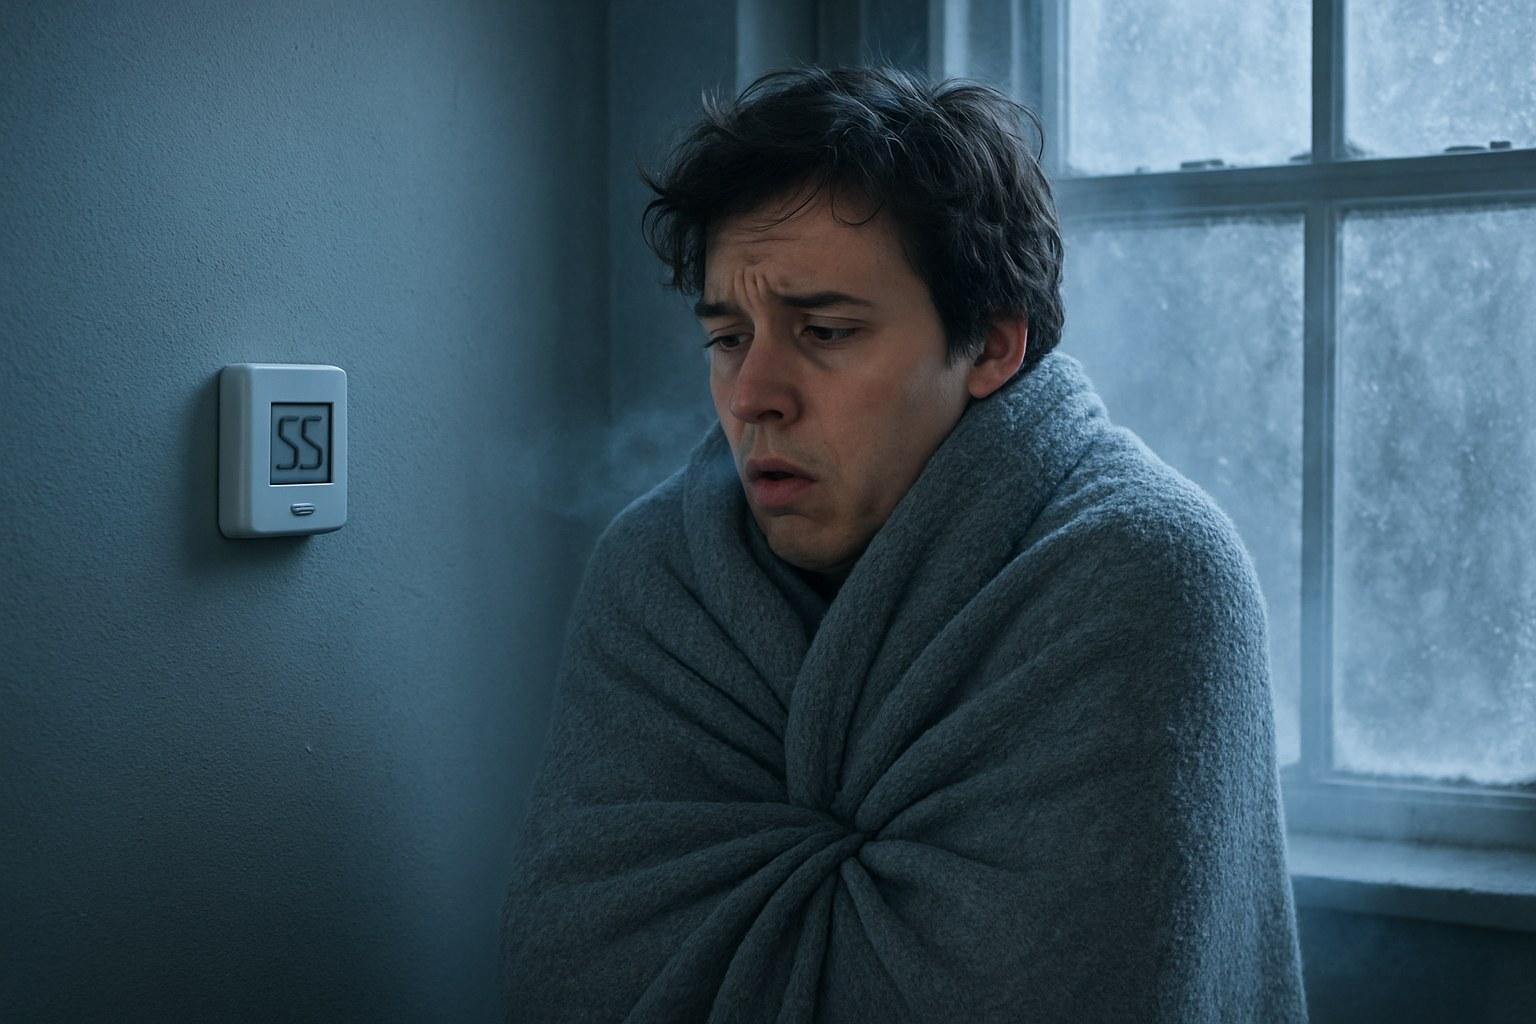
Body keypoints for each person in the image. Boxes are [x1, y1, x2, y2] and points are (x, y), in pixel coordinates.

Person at [501, 64, 1308, 1023]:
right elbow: (569, 970)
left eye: (827, 331)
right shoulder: (654, 575)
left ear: (994, 345)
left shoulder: (1145, 573)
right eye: (727, 337)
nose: (754, 393)